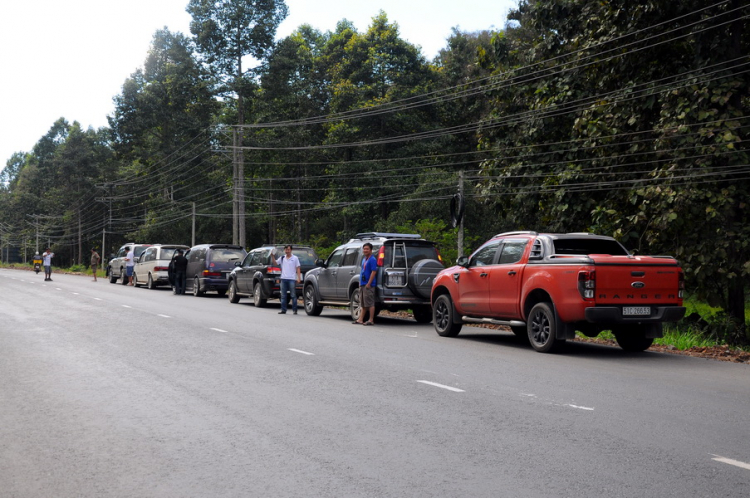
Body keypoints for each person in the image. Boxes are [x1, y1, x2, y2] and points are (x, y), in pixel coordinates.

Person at [272, 245, 301, 314]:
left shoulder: (295, 258)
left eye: (288, 249)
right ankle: (283, 309)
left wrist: (299, 277)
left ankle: (295, 310)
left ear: (291, 250)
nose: (287, 251)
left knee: (293, 295)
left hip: (291, 279)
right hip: (283, 279)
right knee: (283, 295)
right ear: (284, 250)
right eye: (286, 250)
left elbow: (298, 268)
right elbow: (275, 263)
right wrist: (272, 256)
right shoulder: (282, 258)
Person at [354, 242, 377, 325]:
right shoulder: (364, 259)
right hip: (362, 283)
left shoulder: (372, 259)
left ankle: (371, 320)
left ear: (371, 250)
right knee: (363, 303)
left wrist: (369, 283)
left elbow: (374, 272)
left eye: (367, 249)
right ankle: (360, 319)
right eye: (364, 249)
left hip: (368, 284)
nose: (365, 250)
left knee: (370, 303)